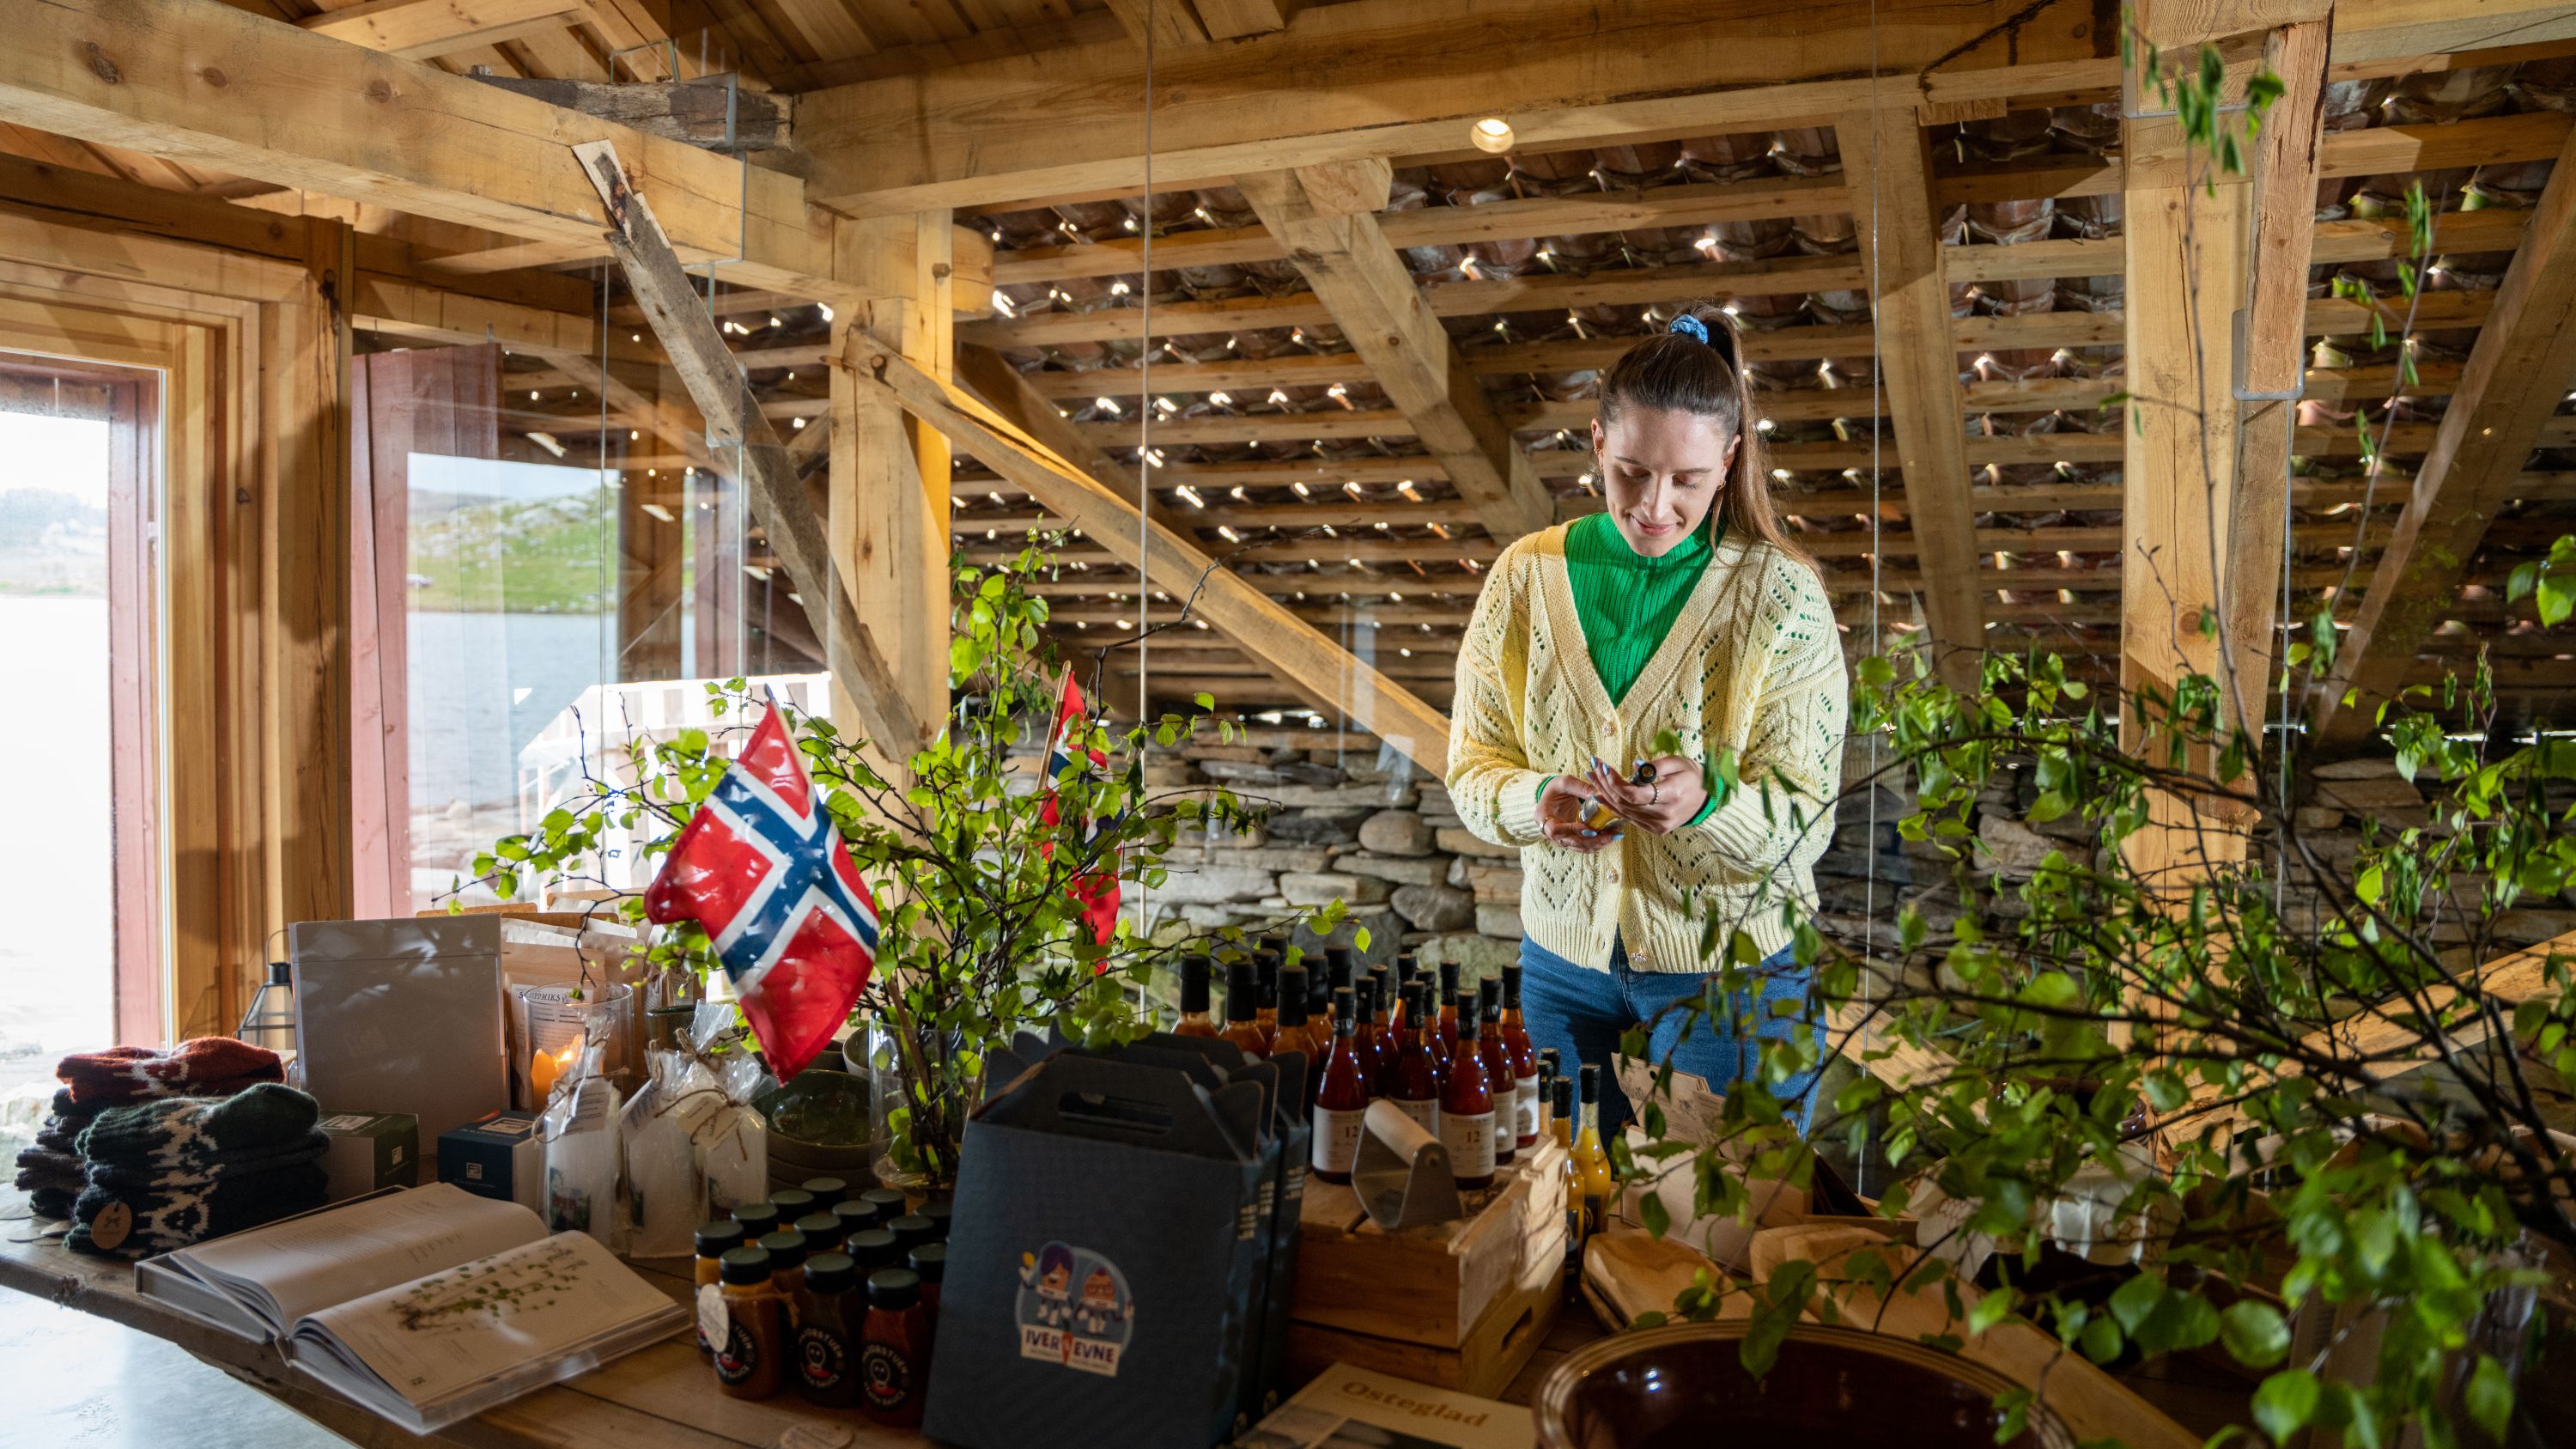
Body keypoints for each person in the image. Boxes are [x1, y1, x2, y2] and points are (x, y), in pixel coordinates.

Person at [1444, 303, 1845, 1138]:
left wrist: (1708, 802)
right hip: (1561, 969)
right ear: (1596, 442)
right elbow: (1473, 769)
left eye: (1688, 482)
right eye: (1631, 471)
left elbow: (1806, 819)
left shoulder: (1781, 594)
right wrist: (1534, 800)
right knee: (1561, 1219)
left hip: (1735, 975)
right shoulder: (1526, 576)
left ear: (1729, 460)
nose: (1654, 506)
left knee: (1716, 1242)